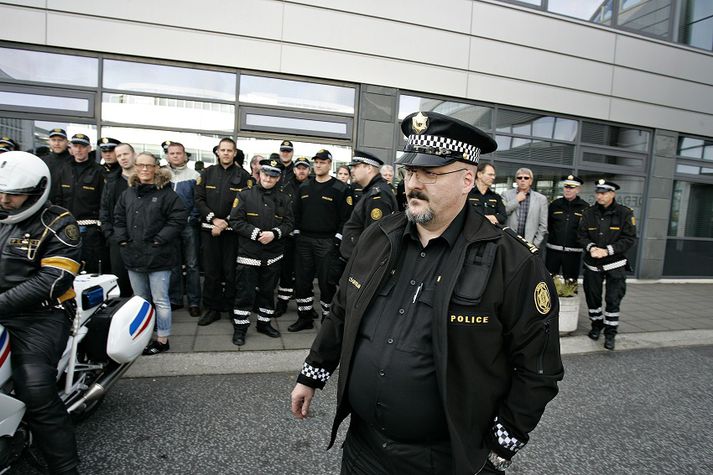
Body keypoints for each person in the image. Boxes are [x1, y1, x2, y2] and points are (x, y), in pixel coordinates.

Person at [290, 111, 563, 474]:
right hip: (363, 447)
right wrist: (313, 373)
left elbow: (538, 368)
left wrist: (500, 446)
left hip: (441, 459)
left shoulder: (511, 262)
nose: (413, 183)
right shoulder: (379, 236)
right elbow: (343, 309)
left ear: (468, 179)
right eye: (409, 171)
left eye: (430, 173)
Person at [0, 151, 81, 474]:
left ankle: (66, 468)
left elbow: (54, 279)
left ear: (36, 191)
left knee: (34, 386)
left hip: (41, 315)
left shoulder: (59, 223)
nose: (5, 199)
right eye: (1, 192)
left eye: (14, 194)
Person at [113, 152, 187, 355]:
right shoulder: (128, 193)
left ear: (156, 168)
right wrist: (122, 239)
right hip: (133, 254)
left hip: (159, 255)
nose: (144, 169)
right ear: (136, 167)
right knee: (140, 300)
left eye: (149, 165)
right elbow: (118, 217)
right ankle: (143, 336)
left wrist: (160, 239)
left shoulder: (167, 194)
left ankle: (163, 339)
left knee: (161, 299)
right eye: (141, 165)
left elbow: (178, 219)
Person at [227, 158, 294, 346]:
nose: (269, 178)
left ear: (278, 177)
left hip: (273, 255)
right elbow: (235, 221)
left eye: (273, 175)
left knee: (267, 292)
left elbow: (289, 224)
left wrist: (274, 233)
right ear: (259, 173)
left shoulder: (285, 198)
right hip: (249, 254)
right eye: (266, 174)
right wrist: (257, 234)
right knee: (244, 294)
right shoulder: (245, 195)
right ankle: (240, 329)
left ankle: (264, 324)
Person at [288, 149, 352, 332]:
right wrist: (298, 234)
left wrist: (337, 240)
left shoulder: (340, 188)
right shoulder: (304, 187)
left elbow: (346, 219)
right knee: (302, 282)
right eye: (316, 162)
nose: (318, 165)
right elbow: (296, 213)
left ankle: (328, 320)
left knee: (327, 284)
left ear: (330, 164)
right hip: (304, 242)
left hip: (327, 242)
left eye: (322, 162)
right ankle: (305, 317)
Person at [195, 137, 254, 326]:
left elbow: (244, 204)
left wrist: (225, 222)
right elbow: (199, 199)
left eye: (230, 150)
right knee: (211, 271)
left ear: (235, 153)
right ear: (217, 152)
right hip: (209, 231)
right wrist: (213, 219)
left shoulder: (245, 176)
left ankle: (230, 307)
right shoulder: (207, 173)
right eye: (223, 150)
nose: (226, 153)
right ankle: (212, 309)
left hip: (232, 232)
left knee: (230, 272)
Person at [578, 179, 637, 351]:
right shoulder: (588, 212)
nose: (600, 196)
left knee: (613, 299)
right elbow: (581, 235)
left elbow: (629, 239)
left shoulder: (624, 213)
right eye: (598, 192)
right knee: (592, 298)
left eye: (603, 193)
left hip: (615, 264)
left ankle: (610, 333)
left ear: (612, 194)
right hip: (593, 264)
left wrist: (608, 250)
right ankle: (596, 325)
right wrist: (592, 247)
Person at [56, 133, 105, 273]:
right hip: (66, 226)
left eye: (82, 146)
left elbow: (103, 201)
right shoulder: (64, 169)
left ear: (89, 148)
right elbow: (58, 198)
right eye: (75, 146)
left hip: (90, 228)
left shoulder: (99, 171)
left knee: (89, 268)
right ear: (70, 148)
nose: (78, 150)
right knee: (67, 265)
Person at [164, 141, 202, 317]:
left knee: (193, 264)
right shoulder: (162, 174)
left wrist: (191, 217)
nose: (176, 156)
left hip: (188, 226)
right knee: (173, 264)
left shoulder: (194, 175)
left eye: (179, 153)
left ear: (185, 155)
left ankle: (194, 302)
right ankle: (175, 299)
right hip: (169, 226)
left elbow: (198, 200)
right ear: (167, 155)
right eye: (172, 153)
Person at [340, 150, 397, 261]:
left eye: (356, 167)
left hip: (364, 260)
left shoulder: (377, 196)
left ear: (369, 168)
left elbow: (375, 237)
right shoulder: (371, 191)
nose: (352, 171)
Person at [275, 156, 312, 317]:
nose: (301, 170)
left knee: (305, 272)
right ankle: (282, 303)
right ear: (294, 170)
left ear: (308, 170)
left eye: (305, 168)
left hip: (305, 236)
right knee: (286, 270)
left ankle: (305, 306)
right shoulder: (286, 186)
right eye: (299, 168)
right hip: (288, 236)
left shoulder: (312, 186)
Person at [99, 143, 136, 297]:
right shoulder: (112, 182)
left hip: (142, 240)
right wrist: (110, 235)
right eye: (119, 155)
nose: (122, 158)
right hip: (118, 240)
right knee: (122, 285)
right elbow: (105, 210)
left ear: (134, 155)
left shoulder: (146, 179)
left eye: (125, 154)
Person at [546, 175, 589, 280]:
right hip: (553, 251)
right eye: (566, 187)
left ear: (578, 190)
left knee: (570, 286)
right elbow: (549, 224)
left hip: (573, 253)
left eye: (572, 187)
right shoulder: (554, 205)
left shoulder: (585, 207)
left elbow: (585, 230)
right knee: (549, 283)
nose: (568, 190)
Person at [502, 167, 548, 248]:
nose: (522, 180)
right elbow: (502, 213)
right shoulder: (506, 194)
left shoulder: (541, 199)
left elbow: (543, 225)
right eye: (519, 178)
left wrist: (535, 244)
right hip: (509, 241)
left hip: (529, 244)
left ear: (531, 181)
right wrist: (516, 200)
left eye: (526, 178)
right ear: (516, 181)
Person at [42, 128, 71, 204]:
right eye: (53, 140)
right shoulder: (43, 162)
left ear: (67, 142)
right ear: (49, 142)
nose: (57, 143)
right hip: (45, 204)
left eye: (60, 140)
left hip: (67, 206)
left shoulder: (74, 161)